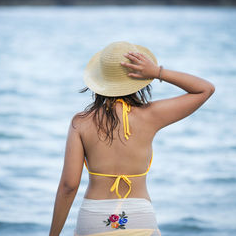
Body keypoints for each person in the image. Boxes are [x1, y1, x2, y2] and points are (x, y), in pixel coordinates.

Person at [48, 41, 215, 236]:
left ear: (99, 80)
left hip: (93, 219)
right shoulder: (151, 115)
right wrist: (157, 72)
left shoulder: (81, 122)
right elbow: (205, 89)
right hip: (140, 218)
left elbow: (69, 186)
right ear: (138, 78)